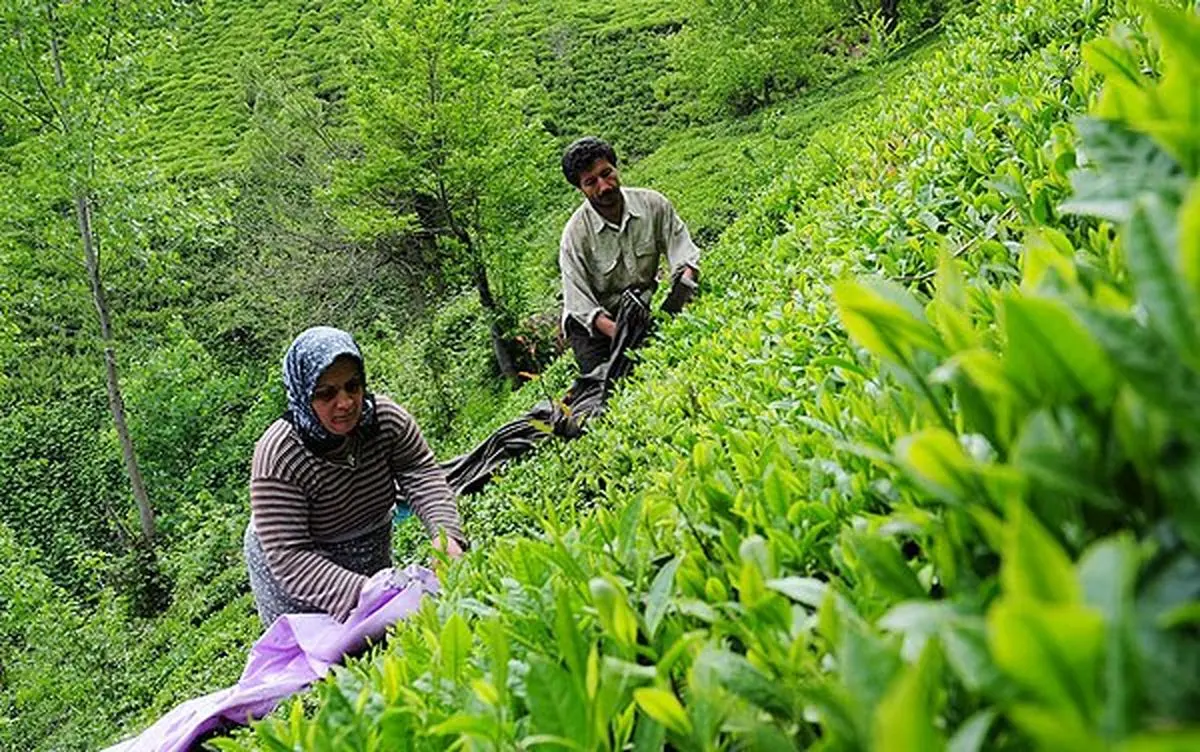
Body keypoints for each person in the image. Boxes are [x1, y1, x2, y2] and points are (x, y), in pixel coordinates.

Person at [243, 326, 466, 627]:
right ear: (303, 393)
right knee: (328, 659)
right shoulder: (280, 456)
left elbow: (420, 472)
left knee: (385, 634)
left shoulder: (385, 421)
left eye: (353, 386)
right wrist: (367, 593)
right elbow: (291, 555)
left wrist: (445, 536)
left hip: (365, 537)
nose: (346, 402)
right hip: (297, 565)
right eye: (326, 394)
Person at [558, 136, 702, 375]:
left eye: (607, 173)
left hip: (636, 310)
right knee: (606, 383)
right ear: (580, 188)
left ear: (616, 167)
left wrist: (682, 292)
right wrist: (625, 336)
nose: (604, 186)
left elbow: (685, 255)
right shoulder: (575, 236)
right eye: (591, 182)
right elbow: (580, 305)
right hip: (593, 328)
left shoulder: (653, 205)